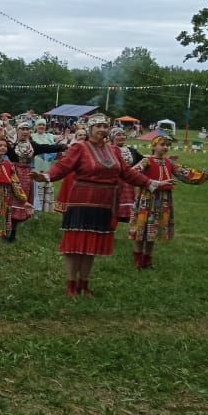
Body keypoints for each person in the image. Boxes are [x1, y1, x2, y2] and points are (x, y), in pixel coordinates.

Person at [33, 114, 160, 297]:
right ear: (90, 129)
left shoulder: (114, 151)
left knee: (91, 246)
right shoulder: (79, 147)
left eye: (104, 126)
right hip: (81, 203)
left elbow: (127, 173)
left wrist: (150, 183)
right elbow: (63, 165)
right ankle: (71, 285)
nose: (102, 129)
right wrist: (46, 176)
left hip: (104, 204)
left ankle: (84, 283)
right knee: (75, 245)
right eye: (98, 126)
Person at [128, 136, 208, 268]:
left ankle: (147, 259)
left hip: (163, 199)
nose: (165, 147)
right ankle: (137, 259)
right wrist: (151, 183)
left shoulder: (170, 163)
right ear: (153, 146)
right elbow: (132, 173)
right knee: (141, 228)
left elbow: (187, 174)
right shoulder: (147, 160)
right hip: (147, 198)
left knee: (153, 229)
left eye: (167, 145)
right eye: (162, 144)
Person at [111, 127, 143, 224]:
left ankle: (128, 216)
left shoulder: (131, 150)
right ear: (112, 137)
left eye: (123, 134)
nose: (122, 137)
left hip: (129, 180)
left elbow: (143, 160)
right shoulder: (107, 149)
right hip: (114, 180)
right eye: (118, 135)